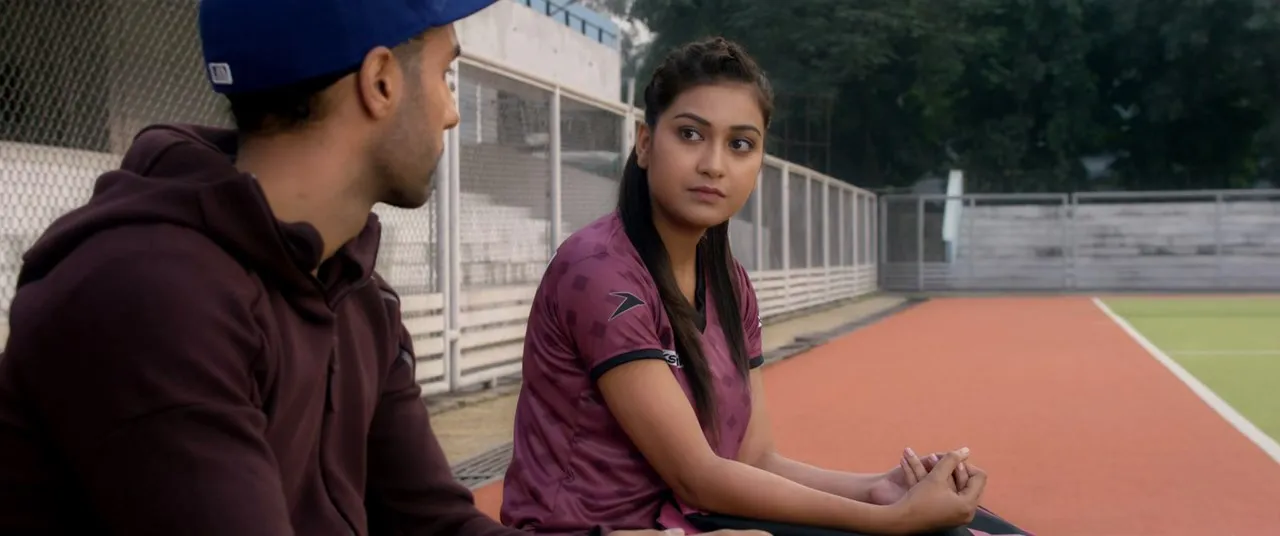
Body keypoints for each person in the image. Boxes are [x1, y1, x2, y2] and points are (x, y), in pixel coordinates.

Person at [0, 2, 762, 535]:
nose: (452, 112)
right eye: (446, 77)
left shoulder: (354, 293)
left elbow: (434, 524)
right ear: (380, 82)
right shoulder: (148, 297)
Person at [498, 37, 1030, 536]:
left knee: (979, 528)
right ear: (644, 143)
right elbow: (698, 477)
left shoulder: (730, 284)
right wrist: (892, 521)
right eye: (690, 134)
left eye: (740, 144)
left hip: (690, 522)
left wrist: (878, 490)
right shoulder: (600, 270)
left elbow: (754, 459)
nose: (713, 165)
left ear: (758, 163)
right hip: (593, 529)